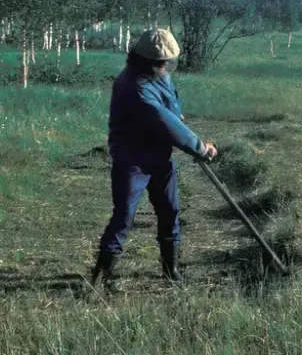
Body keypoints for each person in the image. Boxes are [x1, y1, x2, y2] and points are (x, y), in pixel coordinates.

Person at [90, 28, 217, 286]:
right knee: (124, 217)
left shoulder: (159, 76)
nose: (165, 65)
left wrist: (177, 117)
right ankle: (100, 280)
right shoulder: (133, 86)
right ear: (144, 60)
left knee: (170, 213)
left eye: (167, 61)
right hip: (132, 161)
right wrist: (199, 148)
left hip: (160, 157)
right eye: (161, 61)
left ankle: (172, 271)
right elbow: (164, 121)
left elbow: (169, 110)